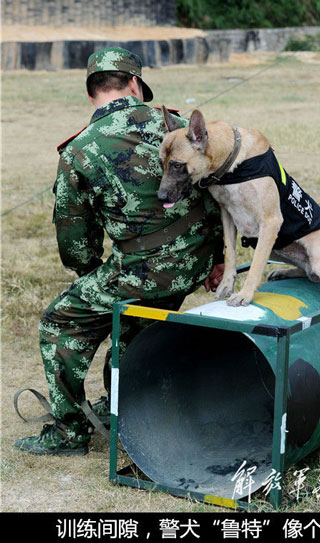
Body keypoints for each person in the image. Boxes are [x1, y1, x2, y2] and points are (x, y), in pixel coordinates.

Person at [15, 47, 224, 456]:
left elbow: (75, 245)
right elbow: (216, 195)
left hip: (143, 271)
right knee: (134, 323)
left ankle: (70, 433)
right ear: (133, 84)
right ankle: (125, 406)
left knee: (59, 323)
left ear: (92, 91)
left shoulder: (79, 150)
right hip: (196, 262)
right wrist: (216, 258)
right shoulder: (179, 126)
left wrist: (95, 271)